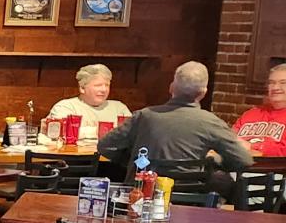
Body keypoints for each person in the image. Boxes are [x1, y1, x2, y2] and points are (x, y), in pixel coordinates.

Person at [96, 61, 253, 172]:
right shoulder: (211, 122)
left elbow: (105, 146)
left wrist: (133, 161)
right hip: (190, 199)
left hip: (143, 192)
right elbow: (243, 160)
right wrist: (212, 162)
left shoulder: (144, 116)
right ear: (203, 93)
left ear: (172, 87)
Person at [44, 62, 131, 129]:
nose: (104, 90)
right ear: (82, 88)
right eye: (98, 85)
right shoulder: (65, 107)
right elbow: (61, 132)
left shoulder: (119, 108)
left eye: (107, 85)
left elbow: (132, 134)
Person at [230, 62, 286, 158]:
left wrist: (252, 147)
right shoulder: (251, 114)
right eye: (271, 83)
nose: (275, 88)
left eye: (283, 83)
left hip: (272, 166)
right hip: (237, 163)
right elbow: (229, 139)